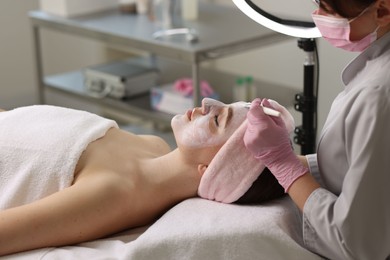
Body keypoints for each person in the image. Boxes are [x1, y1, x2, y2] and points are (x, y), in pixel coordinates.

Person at [0, 98, 288, 256]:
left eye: (216, 120)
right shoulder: (153, 145)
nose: (206, 102)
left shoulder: (114, 195)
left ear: (210, 169)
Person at [243, 0, 390, 259]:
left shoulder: (378, 95)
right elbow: (367, 165)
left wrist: (283, 163)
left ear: (383, 10)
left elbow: (357, 244)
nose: (317, 15)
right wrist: (289, 163)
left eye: (327, 8)